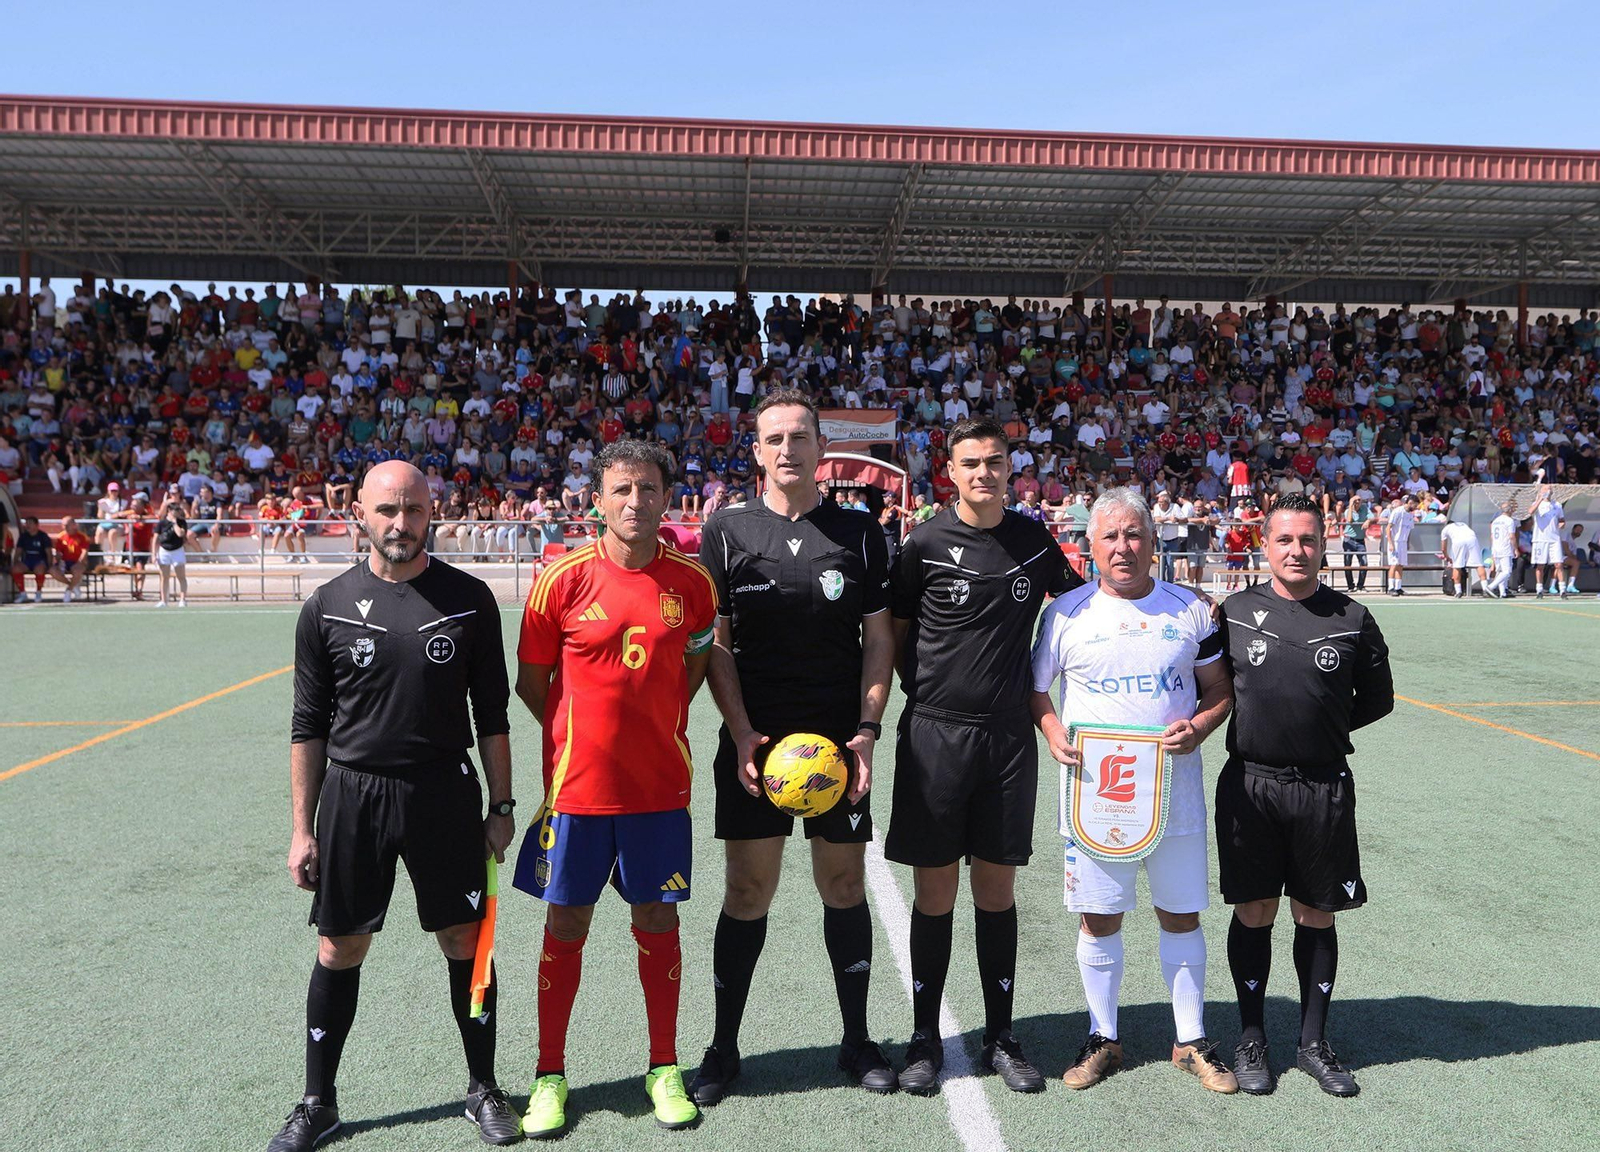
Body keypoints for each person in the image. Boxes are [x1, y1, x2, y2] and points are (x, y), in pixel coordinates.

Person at [270, 460, 520, 1151]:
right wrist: (301, 829)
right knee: (339, 945)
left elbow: (492, 715)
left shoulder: (469, 599)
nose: (400, 524)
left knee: (465, 940)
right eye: (387, 511)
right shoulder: (325, 604)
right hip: (353, 796)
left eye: (413, 511)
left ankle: (482, 1086)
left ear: (431, 513)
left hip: (443, 789)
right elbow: (307, 725)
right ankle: (319, 1102)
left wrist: (501, 806)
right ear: (358, 512)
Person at [689, 388, 898, 1104]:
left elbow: (879, 642)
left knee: (842, 886)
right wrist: (742, 729)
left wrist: (867, 733)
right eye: (773, 439)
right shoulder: (727, 531)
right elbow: (715, 644)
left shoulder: (862, 532)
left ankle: (858, 1040)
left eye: (799, 437)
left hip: (838, 749)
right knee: (747, 891)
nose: (787, 450)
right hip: (756, 745)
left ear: (820, 448)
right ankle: (722, 1048)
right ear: (757, 452)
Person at [510, 440, 718, 1138]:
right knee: (565, 926)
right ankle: (549, 1075)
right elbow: (532, 684)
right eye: (622, 489)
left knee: (657, 922)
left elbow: (693, 667)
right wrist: (579, 738)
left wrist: (651, 726)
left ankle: (663, 1068)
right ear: (598, 499)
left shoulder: (691, 584)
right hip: (576, 796)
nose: (635, 502)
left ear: (667, 499)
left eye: (649, 489)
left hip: (660, 792)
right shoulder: (560, 579)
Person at [886, 417, 1082, 1095]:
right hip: (935, 736)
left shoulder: (1032, 540)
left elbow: (1085, 604)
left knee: (996, 891)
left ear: (1010, 467)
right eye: (969, 463)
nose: (982, 473)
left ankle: (1002, 1035)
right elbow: (896, 631)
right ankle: (922, 1039)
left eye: (994, 461)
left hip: (1006, 739)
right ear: (950, 472)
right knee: (935, 891)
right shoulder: (925, 542)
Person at [1030, 487, 1237, 1094]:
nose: (1123, 547)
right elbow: (1039, 690)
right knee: (1099, 919)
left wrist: (1200, 725)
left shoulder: (1191, 610)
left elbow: (1219, 689)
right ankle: (1102, 1036)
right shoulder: (1065, 614)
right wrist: (1050, 730)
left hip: (1175, 793)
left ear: (1153, 541)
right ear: (1090, 546)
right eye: (1110, 537)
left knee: (1181, 914)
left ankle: (1192, 1039)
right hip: (1094, 793)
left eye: (1134, 534)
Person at [1214, 492, 1394, 1096]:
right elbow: (1211, 688)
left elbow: (1377, 699)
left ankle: (1313, 1042)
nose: (1297, 550)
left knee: (1316, 911)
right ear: (1264, 545)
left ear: (1324, 544)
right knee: (1254, 910)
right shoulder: (1233, 612)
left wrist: (1319, 730)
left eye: (1308, 540)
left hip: (1322, 788)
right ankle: (1251, 1036)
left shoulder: (1352, 617)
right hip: (1251, 784)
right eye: (1285, 540)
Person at [1528, 484, 1565, 599]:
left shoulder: (1557, 505)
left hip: (1554, 539)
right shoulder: (1537, 503)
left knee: (1558, 564)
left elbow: (1562, 519)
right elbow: (1530, 511)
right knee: (1540, 565)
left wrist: (1561, 524)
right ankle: (1539, 590)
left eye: (1549, 489)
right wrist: (1540, 498)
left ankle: (1562, 590)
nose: (1548, 490)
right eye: (1545, 488)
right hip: (1540, 539)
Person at [1437, 518, 1487, 599]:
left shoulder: (1445, 529)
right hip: (1472, 540)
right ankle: (1485, 588)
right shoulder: (1463, 525)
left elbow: (1443, 548)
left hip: (1458, 542)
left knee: (1457, 566)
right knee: (1478, 564)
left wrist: (1447, 557)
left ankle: (1458, 591)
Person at [154, 500, 191, 608]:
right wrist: (153, 553)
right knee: (164, 577)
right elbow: (155, 538)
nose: (178, 512)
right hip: (164, 551)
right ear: (169, 510)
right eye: (176, 510)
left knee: (181, 576)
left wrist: (174, 522)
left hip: (177, 550)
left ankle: (183, 600)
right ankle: (164, 600)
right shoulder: (161, 523)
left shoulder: (181, 522)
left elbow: (180, 534)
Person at [52, 516, 94, 603]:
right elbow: (58, 552)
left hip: (77, 561)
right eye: (63, 525)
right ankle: (73, 586)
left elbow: (84, 552)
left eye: (67, 525)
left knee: (77, 571)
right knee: (52, 571)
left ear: (74, 525)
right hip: (64, 561)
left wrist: (80, 562)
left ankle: (68, 590)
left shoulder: (82, 537)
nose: (65, 527)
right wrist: (58, 561)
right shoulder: (60, 537)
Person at [1484, 499, 1520, 598]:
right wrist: (1516, 549)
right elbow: (1512, 536)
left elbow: (1492, 536)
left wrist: (1493, 548)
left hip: (1496, 547)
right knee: (1507, 571)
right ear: (1510, 510)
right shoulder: (1509, 521)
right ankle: (1491, 587)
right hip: (1505, 548)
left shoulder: (1496, 520)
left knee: (1500, 570)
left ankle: (1502, 592)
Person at [1383, 495, 1416, 596]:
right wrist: (1391, 543)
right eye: (1415, 504)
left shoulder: (1410, 515)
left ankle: (1398, 587)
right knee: (1394, 564)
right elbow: (1388, 528)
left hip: (1403, 542)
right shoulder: (1397, 511)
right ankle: (1391, 587)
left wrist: (1408, 542)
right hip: (1395, 541)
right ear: (1410, 503)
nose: (1416, 506)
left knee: (1400, 565)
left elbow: (1409, 530)